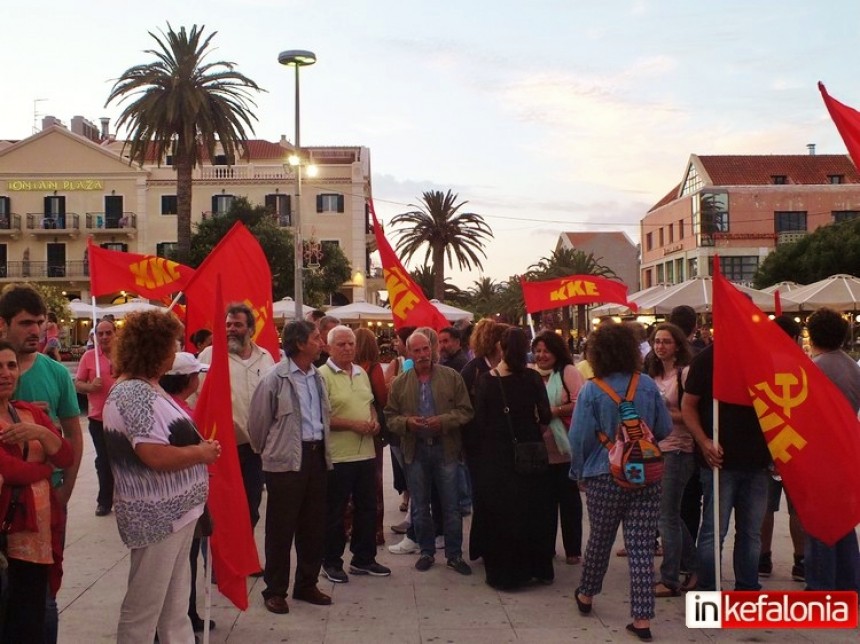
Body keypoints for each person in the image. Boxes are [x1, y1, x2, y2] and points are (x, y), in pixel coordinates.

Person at [103, 310, 221, 642]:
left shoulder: (146, 388)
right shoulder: (134, 393)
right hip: (156, 517)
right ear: (156, 349)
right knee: (145, 608)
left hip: (174, 515)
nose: (177, 350)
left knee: (173, 606)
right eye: (173, 344)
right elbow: (153, 454)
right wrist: (201, 453)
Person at [569, 322, 671, 642]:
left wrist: (578, 473)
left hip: (604, 475)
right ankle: (642, 619)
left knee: (600, 538)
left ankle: (586, 594)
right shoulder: (647, 385)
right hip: (647, 475)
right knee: (641, 546)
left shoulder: (591, 389)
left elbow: (579, 437)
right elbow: (664, 428)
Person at [0, 284, 82, 644]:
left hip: (45, 507)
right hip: (7, 508)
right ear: (3, 325)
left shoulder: (57, 373)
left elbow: (72, 439)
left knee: (43, 600)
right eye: (25, 323)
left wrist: (64, 491)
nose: (36, 330)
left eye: (41, 322)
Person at [249, 320, 334, 614]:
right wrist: (270, 455)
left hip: (316, 456)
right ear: (299, 344)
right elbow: (257, 426)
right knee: (280, 529)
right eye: (315, 337)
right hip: (284, 463)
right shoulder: (275, 378)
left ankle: (306, 584)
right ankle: (275, 590)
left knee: (313, 526)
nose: (321, 341)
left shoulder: (317, 377)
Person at [681, 341, 771, 593]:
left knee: (751, 533)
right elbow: (688, 405)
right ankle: (708, 590)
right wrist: (704, 441)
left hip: (757, 461)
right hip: (719, 462)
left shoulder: (764, 355)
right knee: (713, 531)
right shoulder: (708, 359)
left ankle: (747, 590)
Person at [385, 330, 474, 575]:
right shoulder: (401, 383)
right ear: (409, 353)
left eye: (426, 349)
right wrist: (407, 423)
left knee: (451, 506)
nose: (423, 354)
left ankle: (454, 555)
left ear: (433, 349)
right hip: (415, 451)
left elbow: (466, 411)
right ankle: (426, 552)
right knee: (420, 506)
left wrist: (443, 421)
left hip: (445, 450)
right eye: (417, 350)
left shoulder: (451, 377)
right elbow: (390, 417)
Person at [474, 327, 553, 589]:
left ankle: (506, 573)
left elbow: (480, 421)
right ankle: (536, 567)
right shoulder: (531, 378)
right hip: (530, 454)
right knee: (531, 511)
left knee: (503, 514)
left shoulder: (487, 380)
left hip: (497, 455)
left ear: (501, 347)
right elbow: (545, 416)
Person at [318, 326, 390, 583]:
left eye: (351, 343)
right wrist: (352, 425)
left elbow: (369, 403)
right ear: (328, 347)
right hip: (338, 456)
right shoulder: (321, 376)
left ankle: (364, 558)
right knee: (336, 511)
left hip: (366, 453)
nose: (348, 348)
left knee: (368, 508)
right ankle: (331, 561)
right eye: (341, 344)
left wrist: (373, 421)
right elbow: (321, 417)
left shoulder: (360, 372)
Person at [198, 303, 274, 531]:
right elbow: (196, 398)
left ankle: (244, 562)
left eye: (237, 325)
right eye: (227, 324)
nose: (231, 329)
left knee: (251, 508)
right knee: (219, 512)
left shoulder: (266, 357)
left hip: (255, 450)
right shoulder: (209, 356)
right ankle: (218, 566)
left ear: (251, 329)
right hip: (221, 449)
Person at [803, 307, 860, 592]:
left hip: (820, 454)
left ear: (812, 334)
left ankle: (821, 586)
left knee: (819, 521)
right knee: (843, 521)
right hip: (847, 452)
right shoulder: (852, 367)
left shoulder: (813, 368)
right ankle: (851, 584)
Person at [158, 351, 215, 634]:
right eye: (196, 375)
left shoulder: (173, 407)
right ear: (187, 379)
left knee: (185, 562)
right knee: (181, 564)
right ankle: (178, 617)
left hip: (186, 499)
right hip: (179, 502)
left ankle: (187, 613)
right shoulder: (177, 413)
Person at [647, 323, 696, 597]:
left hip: (678, 448)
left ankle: (670, 578)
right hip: (656, 447)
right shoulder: (653, 374)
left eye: (666, 341)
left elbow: (691, 414)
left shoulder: (684, 374)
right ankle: (694, 566)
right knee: (668, 514)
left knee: (666, 515)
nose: (660, 346)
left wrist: (662, 414)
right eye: (657, 341)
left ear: (678, 345)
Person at [530, 330, 585, 566]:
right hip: (541, 450)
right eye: (538, 350)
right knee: (543, 503)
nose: (541, 355)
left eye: (546, 350)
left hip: (566, 450)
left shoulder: (568, 372)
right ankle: (546, 547)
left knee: (569, 502)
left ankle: (573, 549)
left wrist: (553, 411)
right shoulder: (531, 374)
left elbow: (579, 402)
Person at [758, 315, 806, 583]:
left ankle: (763, 557)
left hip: (769, 443)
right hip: (796, 446)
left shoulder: (762, 364)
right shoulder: (806, 366)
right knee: (797, 508)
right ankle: (801, 561)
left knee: (766, 507)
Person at [74, 319, 116, 517]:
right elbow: (78, 383)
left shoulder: (124, 355)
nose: (105, 337)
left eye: (108, 333)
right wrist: (91, 387)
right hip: (99, 417)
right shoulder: (89, 357)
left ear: (115, 334)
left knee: (124, 460)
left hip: (123, 417)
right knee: (104, 460)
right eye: (101, 334)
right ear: (95, 336)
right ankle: (104, 500)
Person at [354, 327, 388, 546]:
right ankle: (375, 531)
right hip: (372, 431)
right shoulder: (374, 368)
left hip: (350, 433)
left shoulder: (350, 368)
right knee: (374, 481)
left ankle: (349, 527)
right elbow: (382, 398)